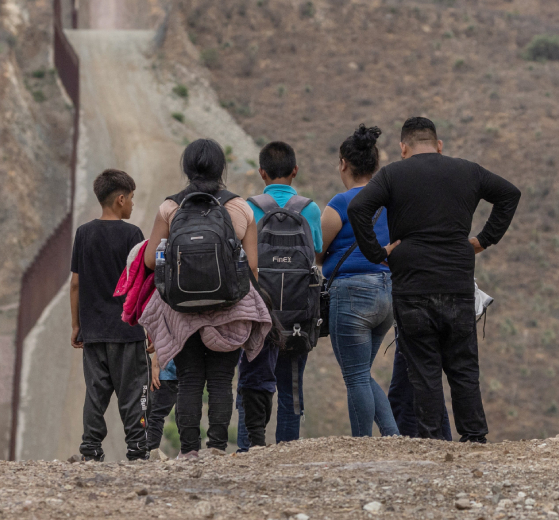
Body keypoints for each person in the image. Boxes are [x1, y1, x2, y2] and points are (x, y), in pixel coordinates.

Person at [347, 117, 520, 442]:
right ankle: (474, 439)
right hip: (456, 283)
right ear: (438, 145)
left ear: (403, 148)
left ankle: (432, 443)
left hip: (412, 288)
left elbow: (357, 208)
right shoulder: (468, 170)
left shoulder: (393, 174)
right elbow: (510, 194)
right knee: (464, 367)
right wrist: (482, 240)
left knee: (424, 372)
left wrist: (378, 253)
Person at [140, 139, 273, 458]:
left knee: (188, 380)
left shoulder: (170, 208)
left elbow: (148, 260)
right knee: (221, 380)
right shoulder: (240, 208)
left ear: (186, 168)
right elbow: (252, 266)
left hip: (182, 311)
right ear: (220, 168)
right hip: (229, 308)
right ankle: (215, 448)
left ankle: (189, 451)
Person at [237, 141, 324, 449]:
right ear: (295, 171)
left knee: (250, 385)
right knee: (291, 392)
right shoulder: (310, 209)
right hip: (298, 318)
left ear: (262, 173)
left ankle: (247, 453)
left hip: (256, 316)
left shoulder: (248, 207)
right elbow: (316, 256)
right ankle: (285, 457)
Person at [320, 125, 398, 438]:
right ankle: (392, 435)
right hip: (387, 293)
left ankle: (362, 445)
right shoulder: (391, 204)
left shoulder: (339, 204)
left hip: (351, 294)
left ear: (343, 164)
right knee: (362, 374)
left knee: (354, 376)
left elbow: (317, 251)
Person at [70, 169, 149, 461]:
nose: (132, 204)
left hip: (93, 331)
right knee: (135, 392)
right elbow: (140, 286)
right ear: (119, 199)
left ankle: (90, 448)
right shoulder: (133, 235)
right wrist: (149, 328)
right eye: (131, 199)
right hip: (128, 332)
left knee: (95, 393)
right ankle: (138, 447)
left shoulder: (83, 233)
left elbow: (76, 283)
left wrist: (76, 324)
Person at [147, 358, 177, 455]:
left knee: (155, 415)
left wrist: (155, 363)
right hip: (193, 373)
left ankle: (149, 454)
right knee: (190, 417)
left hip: (168, 372)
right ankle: (192, 453)